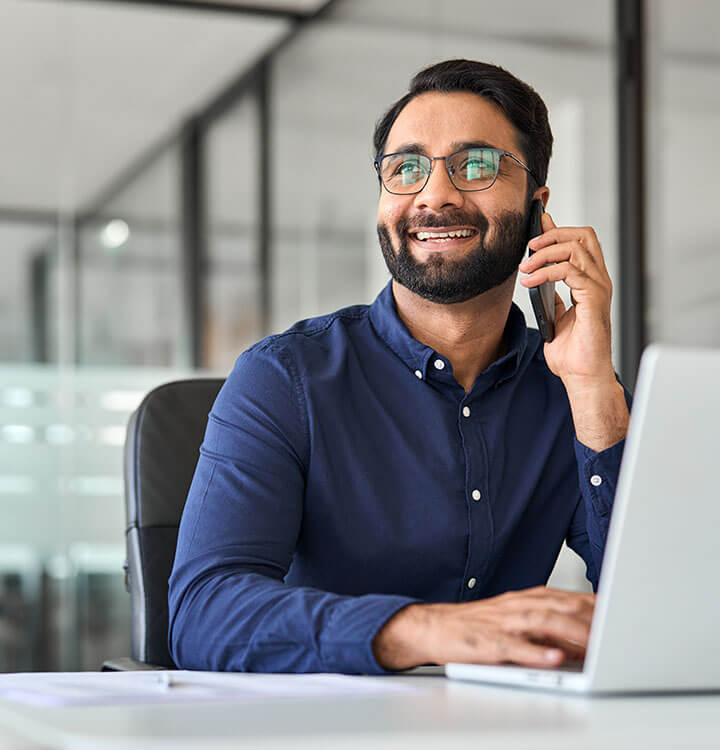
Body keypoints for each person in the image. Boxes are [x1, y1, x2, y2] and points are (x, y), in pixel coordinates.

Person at [168, 59, 631, 674]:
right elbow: (203, 614)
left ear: (536, 208)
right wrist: (430, 632)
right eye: (406, 168)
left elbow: (655, 602)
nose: (435, 195)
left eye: (477, 165)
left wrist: (595, 387)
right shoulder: (286, 377)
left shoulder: (572, 389)